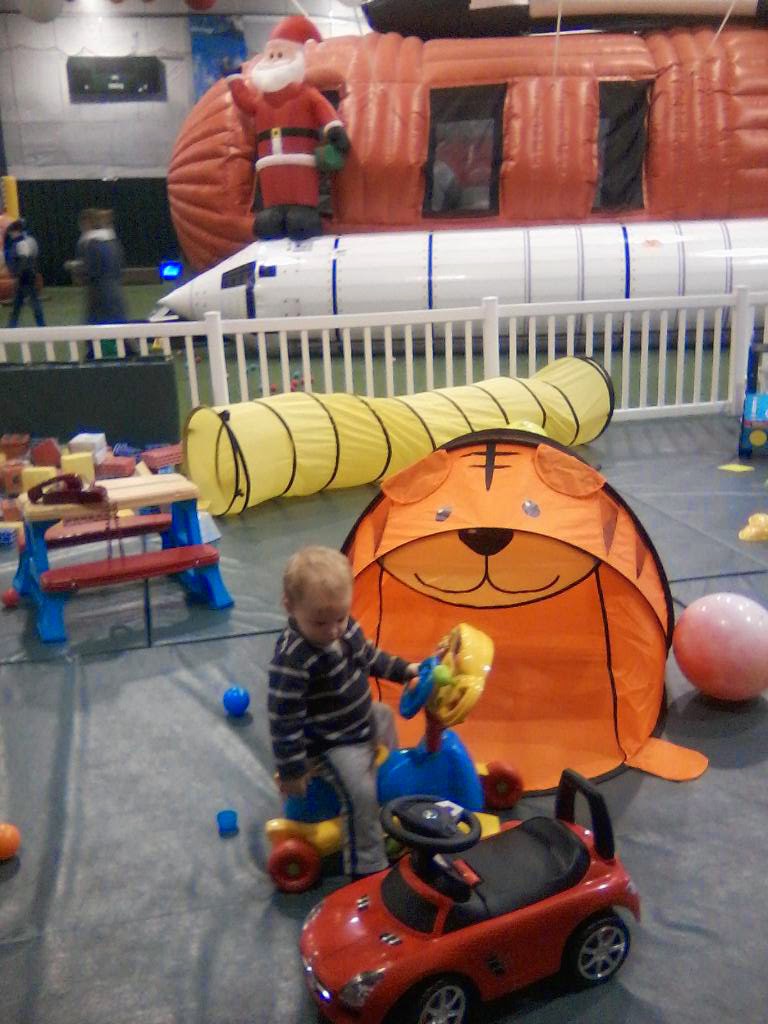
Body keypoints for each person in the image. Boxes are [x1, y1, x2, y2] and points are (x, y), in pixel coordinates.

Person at [268, 546, 420, 878]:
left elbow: (370, 657)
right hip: (330, 744)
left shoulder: (345, 628)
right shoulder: (293, 658)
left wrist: (405, 670)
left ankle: (387, 785)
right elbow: (283, 719)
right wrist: (292, 769)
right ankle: (367, 864)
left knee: (384, 715)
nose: (334, 630)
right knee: (360, 792)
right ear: (290, 607)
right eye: (320, 622)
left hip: (358, 720)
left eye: (340, 617)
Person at [228, 15, 350, 242]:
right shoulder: (261, 100)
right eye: (271, 55)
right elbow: (246, 103)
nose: (275, 60)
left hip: (300, 161)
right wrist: (234, 81)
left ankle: (303, 211)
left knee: (299, 197)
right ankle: (273, 213)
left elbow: (323, 110)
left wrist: (334, 129)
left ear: (298, 60)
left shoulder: (306, 95)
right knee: (272, 193)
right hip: (269, 163)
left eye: (280, 55)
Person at [72, 207, 128, 326]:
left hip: (99, 294)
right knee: (118, 326)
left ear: (86, 223)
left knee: (97, 329)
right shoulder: (113, 241)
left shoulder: (90, 243)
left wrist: (76, 269)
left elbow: (91, 270)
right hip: (116, 291)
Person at [4, 218, 45, 328]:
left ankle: (41, 325)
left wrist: (17, 274)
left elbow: (23, 260)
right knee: (19, 303)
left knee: (32, 302)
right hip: (27, 275)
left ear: (16, 231)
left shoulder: (21, 243)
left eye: (11, 232)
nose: (10, 235)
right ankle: (12, 325)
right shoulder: (28, 241)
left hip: (25, 276)